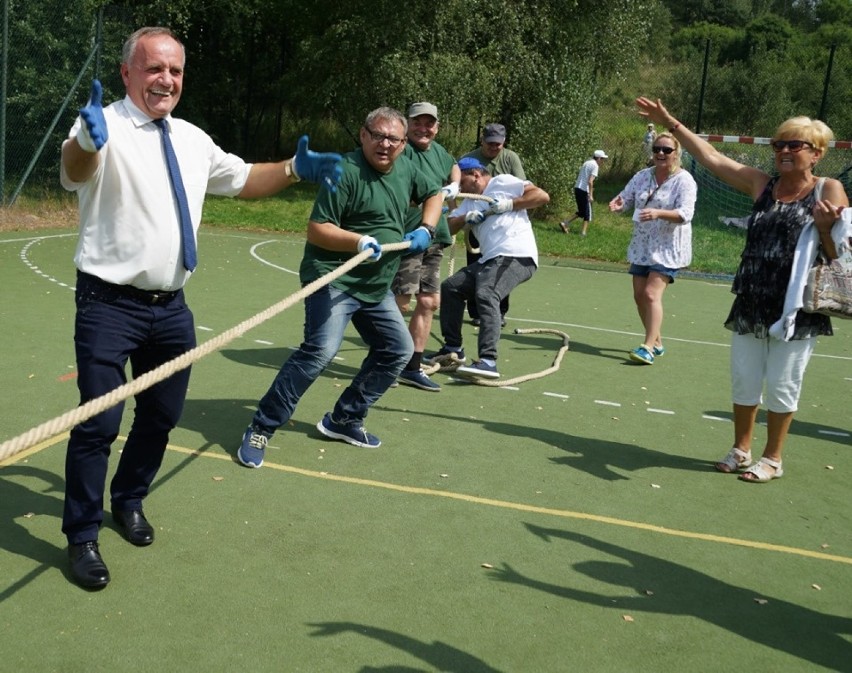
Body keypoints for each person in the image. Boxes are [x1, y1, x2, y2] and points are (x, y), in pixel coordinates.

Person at [58, 27, 344, 589]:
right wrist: (86, 143)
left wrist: (292, 170)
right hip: (108, 304)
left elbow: (240, 180)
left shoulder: (191, 138)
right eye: (154, 69)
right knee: (99, 422)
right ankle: (82, 536)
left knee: (162, 416)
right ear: (127, 73)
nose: (166, 80)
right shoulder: (103, 125)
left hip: (171, 309)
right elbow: (74, 171)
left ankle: (129, 499)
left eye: (176, 71)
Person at [637, 96, 849, 483]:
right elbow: (716, 161)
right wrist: (670, 122)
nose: (783, 152)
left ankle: (773, 458)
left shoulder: (828, 190)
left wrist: (822, 228)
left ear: (816, 153)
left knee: (784, 383)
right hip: (752, 298)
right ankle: (741, 448)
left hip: (796, 307)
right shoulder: (762, 185)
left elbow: (842, 258)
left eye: (794, 145)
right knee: (744, 378)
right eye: (779, 145)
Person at [237, 107, 443, 466]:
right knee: (319, 352)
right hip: (333, 277)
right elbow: (319, 228)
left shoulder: (408, 164)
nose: (385, 144)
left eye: (393, 139)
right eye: (377, 135)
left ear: (403, 143)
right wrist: (359, 242)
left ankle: (346, 418)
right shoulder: (346, 171)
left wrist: (426, 227)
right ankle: (261, 426)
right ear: (363, 135)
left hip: (375, 285)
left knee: (397, 349)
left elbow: (435, 193)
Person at [424, 157, 549, 379]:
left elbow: (541, 196)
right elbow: (449, 229)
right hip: (490, 260)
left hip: (516, 255)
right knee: (451, 288)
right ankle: (453, 349)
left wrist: (510, 204)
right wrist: (465, 217)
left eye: (461, 181)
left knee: (487, 292)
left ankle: (488, 361)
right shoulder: (470, 202)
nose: (459, 187)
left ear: (476, 175)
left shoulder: (501, 182)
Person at [609, 132, 697, 365]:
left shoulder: (684, 180)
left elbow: (685, 214)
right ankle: (656, 342)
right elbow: (625, 198)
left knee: (650, 293)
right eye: (657, 149)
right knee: (639, 296)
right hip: (642, 245)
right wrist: (618, 204)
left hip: (667, 248)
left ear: (676, 153)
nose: (660, 153)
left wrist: (659, 213)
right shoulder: (641, 176)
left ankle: (647, 347)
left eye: (666, 150)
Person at [392, 102, 461, 392]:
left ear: (437, 127)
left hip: (435, 236)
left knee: (430, 302)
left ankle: (411, 367)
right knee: (400, 301)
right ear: (408, 124)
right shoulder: (400, 150)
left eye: (429, 123)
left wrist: (454, 185)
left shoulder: (439, 151)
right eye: (417, 122)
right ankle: (386, 361)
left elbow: (454, 165)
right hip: (408, 235)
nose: (424, 128)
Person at [460, 123, 527, 326]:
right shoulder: (468, 159)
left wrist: (506, 203)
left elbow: (523, 187)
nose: (493, 147)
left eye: (498, 144)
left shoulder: (510, 158)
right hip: (476, 221)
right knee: (476, 265)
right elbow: (456, 187)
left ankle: (500, 311)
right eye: (490, 143)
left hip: (502, 223)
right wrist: (460, 214)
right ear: (482, 141)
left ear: (503, 142)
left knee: (499, 268)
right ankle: (476, 313)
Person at [559, 150, 608, 237]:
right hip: (584, 191)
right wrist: (591, 195)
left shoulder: (587, 162)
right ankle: (583, 233)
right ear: (599, 158)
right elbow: (590, 181)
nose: (603, 161)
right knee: (587, 214)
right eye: (603, 159)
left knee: (581, 212)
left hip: (577, 188)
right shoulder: (595, 166)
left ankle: (565, 222)